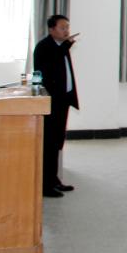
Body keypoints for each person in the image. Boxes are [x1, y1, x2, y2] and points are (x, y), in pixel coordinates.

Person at [33, 14, 80, 197]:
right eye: (62, 27)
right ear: (52, 29)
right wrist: (66, 46)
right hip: (51, 103)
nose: (66, 30)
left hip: (63, 101)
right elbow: (46, 70)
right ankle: (46, 185)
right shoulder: (44, 47)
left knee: (57, 142)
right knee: (49, 143)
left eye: (67, 27)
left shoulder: (61, 47)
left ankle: (54, 181)